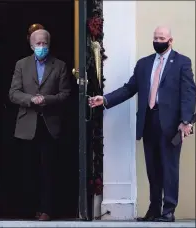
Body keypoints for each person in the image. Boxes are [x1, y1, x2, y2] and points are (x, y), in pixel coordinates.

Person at [89, 26, 196, 222]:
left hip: (171, 125)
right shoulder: (144, 64)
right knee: (153, 168)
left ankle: (168, 211)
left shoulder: (182, 62)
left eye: (162, 37)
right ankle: (154, 209)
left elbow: (189, 94)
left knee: (169, 168)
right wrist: (104, 100)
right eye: (155, 37)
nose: (158, 40)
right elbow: (129, 88)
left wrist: (186, 121)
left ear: (170, 40)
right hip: (148, 121)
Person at [9, 29, 71, 221]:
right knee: (28, 170)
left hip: (49, 125)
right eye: (38, 44)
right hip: (27, 125)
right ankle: (28, 209)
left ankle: (46, 210)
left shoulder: (59, 66)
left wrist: (46, 99)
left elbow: (65, 94)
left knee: (48, 170)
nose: (41, 47)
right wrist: (30, 99)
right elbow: (13, 93)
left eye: (44, 43)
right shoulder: (22, 64)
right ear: (31, 45)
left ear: (49, 44)